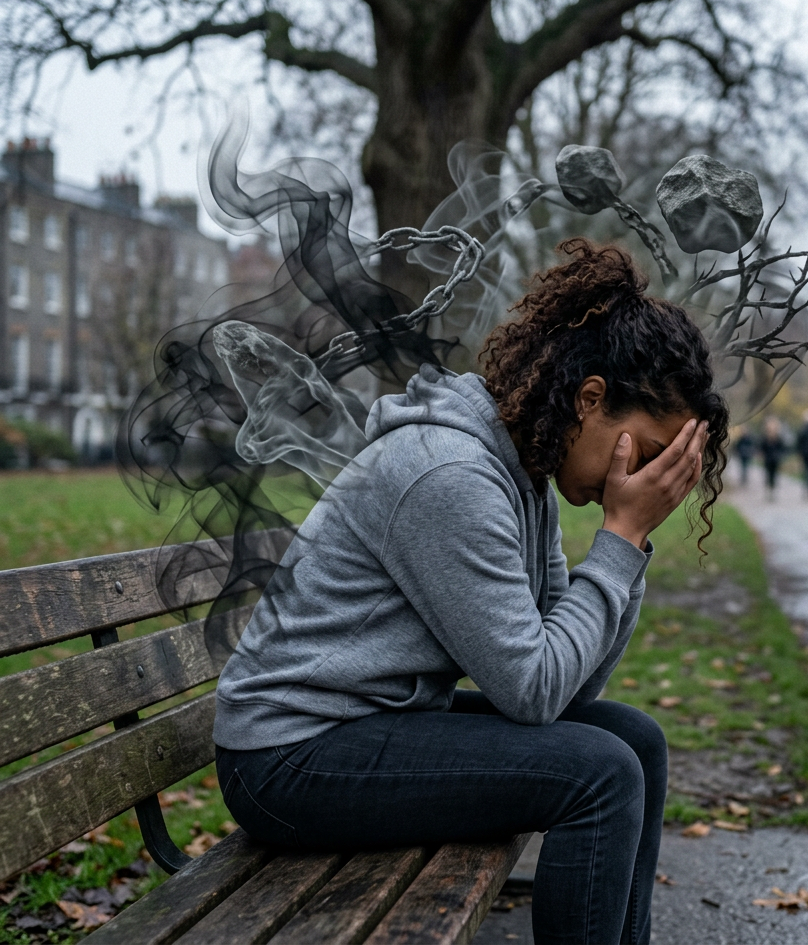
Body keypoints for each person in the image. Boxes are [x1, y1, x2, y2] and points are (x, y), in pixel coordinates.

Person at [212, 240, 729, 945]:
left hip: (368, 724)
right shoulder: (450, 475)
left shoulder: (525, 475)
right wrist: (619, 539)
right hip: (288, 759)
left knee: (633, 742)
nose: (645, 473)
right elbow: (533, 690)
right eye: (646, 448)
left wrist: (628, 548)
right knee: (600, 774)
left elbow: (568, 690)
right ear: (590, 400)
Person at [760, 415, 786, 499]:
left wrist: (779, 455)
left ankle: (772, 490)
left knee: (774, 475)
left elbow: (781, 447)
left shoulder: (778, 437)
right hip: (768, 459)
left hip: (775, 459)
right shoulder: (765, 437)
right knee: (768, 475)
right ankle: (769, 490)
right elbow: (762, 447)